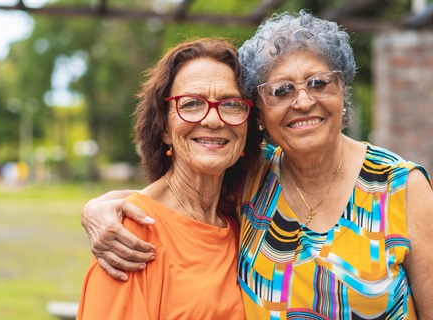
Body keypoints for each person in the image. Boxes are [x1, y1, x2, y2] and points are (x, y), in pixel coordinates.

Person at [81, 11, 433, 319]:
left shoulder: (403, 188)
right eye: (281, 90)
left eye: (319, 82)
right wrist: (98, 208)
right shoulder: (256, 180)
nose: (304, 100)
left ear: (343, 90)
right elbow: (179, 206)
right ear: (260, 114)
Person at [76, 38, 263, 319]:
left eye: (232, 104)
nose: (213, 120)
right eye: (191, 104)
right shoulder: (129, 236)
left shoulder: (245, 222)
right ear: (163, 127)